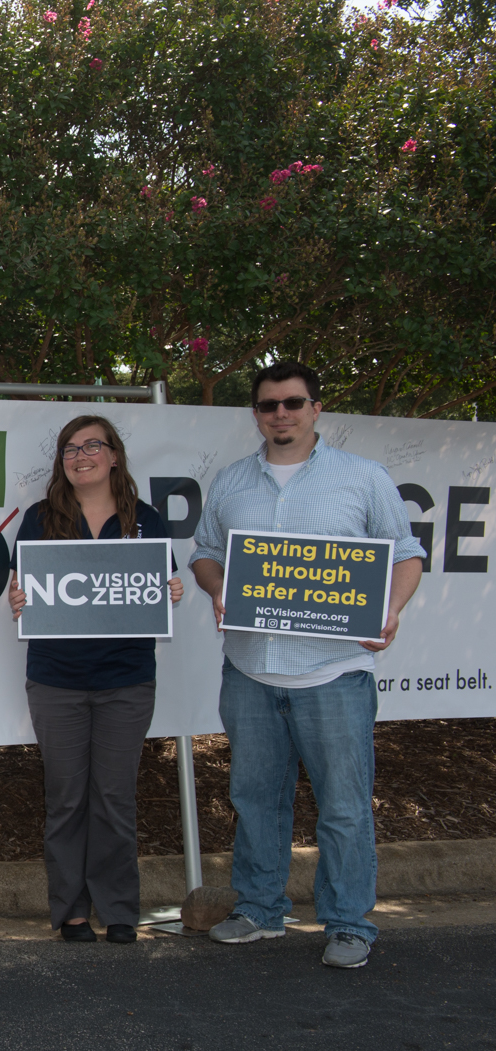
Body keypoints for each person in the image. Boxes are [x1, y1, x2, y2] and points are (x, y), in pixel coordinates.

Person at [190, 361, 424, 969]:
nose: (281, 415)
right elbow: (207, 554)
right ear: (256, 415)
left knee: (344, 804)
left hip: (335, 672)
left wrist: (390, 610)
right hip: (250, 670)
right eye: (269, 406)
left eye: (293, 403)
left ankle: (349, 922)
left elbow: (406, 553)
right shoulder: (233, 481)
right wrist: (218, 589)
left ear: (317, 408)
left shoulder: (363, 478)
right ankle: (261, 911)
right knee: (254, 797)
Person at [8, 415, 184, 945]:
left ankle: (120, 910)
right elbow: (24, 591)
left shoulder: (145, 520)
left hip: (126, 682)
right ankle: (71, 912)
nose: (79, 456)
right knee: (66, 798)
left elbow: (161, 585)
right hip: (56, 682)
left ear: (113, 456)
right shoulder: (41, 519)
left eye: (91, 446)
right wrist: (16, 601)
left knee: (114, 796)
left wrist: (170, 593)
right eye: (69, 449)